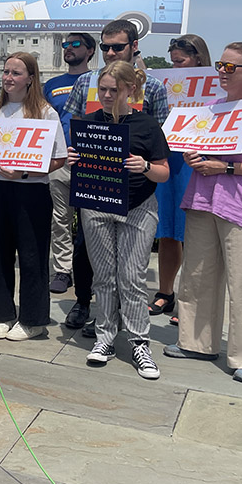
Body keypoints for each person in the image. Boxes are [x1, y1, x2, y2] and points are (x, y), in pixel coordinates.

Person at [164, 42, 242, 384]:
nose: (222, 72)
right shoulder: (211, 108)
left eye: (230, 67)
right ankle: (196, 342)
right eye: (220, 65)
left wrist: (229, 169)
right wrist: (194, 158)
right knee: (197, 275)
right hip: (204, 198)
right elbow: (201, 152)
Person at [60, 20, 169, 334]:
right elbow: (75, 126)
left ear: (133, 47)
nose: (110, 52)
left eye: (117, 46)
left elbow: (158, 134)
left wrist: (144, 167)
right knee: (85, 249)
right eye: (105, 46)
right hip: (94, 182)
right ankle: (84, 302)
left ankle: (120, 319)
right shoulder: (85, 82)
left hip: (133, 189)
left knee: (128, 262)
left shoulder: (155, 87)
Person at [69, 62, 170, 379]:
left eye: (115, 89)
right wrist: (74, 160)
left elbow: (164, 173)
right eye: (103, 90)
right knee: (103, 276)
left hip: (138, 207)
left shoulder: (147, 125)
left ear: (131, 89)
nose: (108, 95)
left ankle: (140, 342)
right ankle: (105, 338)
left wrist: (144, 166)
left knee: (132, 276)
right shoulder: (88, 122)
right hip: (97, 205)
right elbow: (82, 167)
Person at [0, 52, 66, 341]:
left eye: (16, 73)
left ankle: (33, 318)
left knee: (32, 256)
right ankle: (0, 312)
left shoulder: (45, 113)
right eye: (6, 72)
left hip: (31, 192)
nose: (8, 78)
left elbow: (59, 159)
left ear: (31, 78)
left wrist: (25, 173)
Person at [149, 35, 212, 323]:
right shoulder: (162, 86)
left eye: (180, 61)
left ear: (198, 59)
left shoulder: (215, 88)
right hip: (168, 157)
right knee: (168, 230)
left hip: (196, 161)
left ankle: (191, 297)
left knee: (193, 232)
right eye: (172, 61)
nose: (175, 65)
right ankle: (165, 291)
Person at [42, 33, 95, 295]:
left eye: (76, 45)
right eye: (66, 45)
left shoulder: (100, 82)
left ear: (90, 50)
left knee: (90, 222)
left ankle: (88, 269)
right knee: (60, 219)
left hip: (93, 162)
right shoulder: (51, 85)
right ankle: (62, 270)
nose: (69, 49)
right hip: (60, 160)